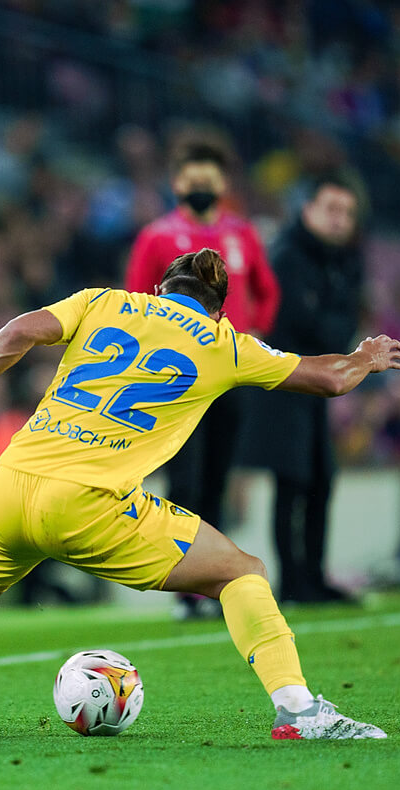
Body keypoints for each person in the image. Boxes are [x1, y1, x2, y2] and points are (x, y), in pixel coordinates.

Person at [0, 248, 400, 740]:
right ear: (218, 310)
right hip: (91, 503)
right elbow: (328, 379)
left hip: (14, 483)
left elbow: (19, 330)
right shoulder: (223, 343)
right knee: (240, 572)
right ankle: (298, 710)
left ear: (157, 290)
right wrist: (365, 356)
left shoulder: (103, 302)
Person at [124, 137, 281, 618]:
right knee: (185, 480)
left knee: (216, 478)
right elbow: (135, 298)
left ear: (222, 184)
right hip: (177, 379)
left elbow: (267, 293)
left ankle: (208, 586)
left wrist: (250, 340)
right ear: (177, 184)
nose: (199, 186)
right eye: (191, 178)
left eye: (207, 178)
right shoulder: (157, 236)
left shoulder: (242, 233)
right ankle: (184, 590)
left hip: (228, 379)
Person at [245, 173, 365, 603]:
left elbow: (342, 321)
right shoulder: (288, 255)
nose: (340, 220)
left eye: (347, 213)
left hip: (314, 381)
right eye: (332, 209)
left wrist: (328, 324)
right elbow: (298, 321)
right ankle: (294, 581)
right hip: (284, 381)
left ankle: (312, 576)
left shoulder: (339, 260)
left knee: (320, 480)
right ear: (307, 209)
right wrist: (330, 325)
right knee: (292, 479)